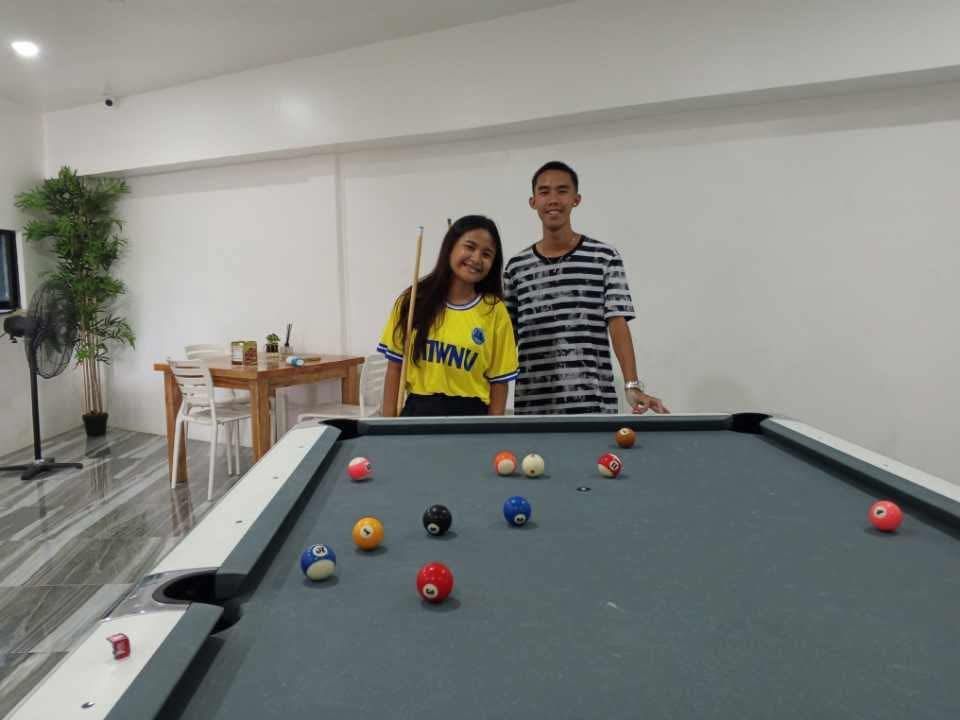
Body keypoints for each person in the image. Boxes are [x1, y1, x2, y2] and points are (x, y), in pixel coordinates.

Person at [503, 161, 668, 415]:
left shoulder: (604, 257)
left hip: (594, 405)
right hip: (533, 406)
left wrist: (632, 385)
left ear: (576, 199)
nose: (553, 199)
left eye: (562, 191)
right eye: (544, 192)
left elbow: (617, 322)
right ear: (533, 201)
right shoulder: (516, 267)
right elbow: (505, 338)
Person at [379, 215, 518, 416]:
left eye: (487, 254)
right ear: (450, 247)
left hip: (471, 420)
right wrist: (387, 427)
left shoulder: (495, 311)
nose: (477, 258)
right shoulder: (413, 301)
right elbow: (394, 369)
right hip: (417, 416)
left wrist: (492, 434)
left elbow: (499, 383)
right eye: (470, 247)